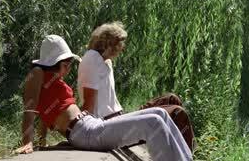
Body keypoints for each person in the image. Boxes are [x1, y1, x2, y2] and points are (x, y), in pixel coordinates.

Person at [14, 34, 214, 161]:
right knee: (153, 122)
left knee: (160, 114)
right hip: (83, 132)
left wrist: (42, 140)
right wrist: (27, 141)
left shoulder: (53, 80)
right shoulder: (37, 73)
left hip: (88, 124)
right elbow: (31, 108)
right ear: (52, 62)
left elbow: (44, 113)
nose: (68, 69)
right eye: (65, 64)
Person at [77, 22, 197, 151]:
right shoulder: (92, 59)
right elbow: (88, 103)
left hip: (119, 117)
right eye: (120, 43)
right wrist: (84, 132)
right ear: (110, 44)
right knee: (177, 112)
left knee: (171, 99)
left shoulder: (105, 61)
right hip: (107, 124)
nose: (122, 48)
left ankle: (182, 152)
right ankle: (187, 159)